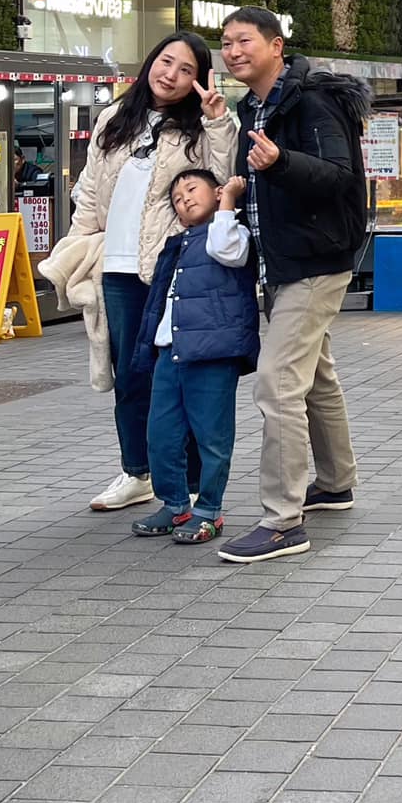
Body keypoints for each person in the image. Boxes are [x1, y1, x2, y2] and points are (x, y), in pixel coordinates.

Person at [45, 32, 234, 513]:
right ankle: (138, 472)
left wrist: (217, 120)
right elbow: (89, 192)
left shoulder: (199, 128)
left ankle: (190, 481)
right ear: (151, 61)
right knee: (129, 376)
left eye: (185, 69)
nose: (170, 74)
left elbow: (223, 180)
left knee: (180, 375)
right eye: (165, 61)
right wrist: (79, 244)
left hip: (173, 267)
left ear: (198, 79)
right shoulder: (115, 118)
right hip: (117, 268)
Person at [216, 7, 369, 564]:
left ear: (276, 46)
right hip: (280, 263)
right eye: (226, 43)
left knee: (277, 383)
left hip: (317, 261)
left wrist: (280, 163)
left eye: (244, 41)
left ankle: (282, 521)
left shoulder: (311, 100)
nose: (233, 51)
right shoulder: (252, 106)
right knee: (317, 374)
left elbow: (342, 178)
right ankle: (334, 481)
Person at [127, 170, 259, 544]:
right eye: (176, 198)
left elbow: (225, 250)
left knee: (212, 435)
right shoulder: (178, 243)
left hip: (214, 351)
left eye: (191, 189)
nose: (183, 198)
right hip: (172, 349)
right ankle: (174, 504)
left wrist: (230, 200)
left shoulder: (232, 233)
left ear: (217, 195)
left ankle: (208, 511)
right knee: (161, 434)